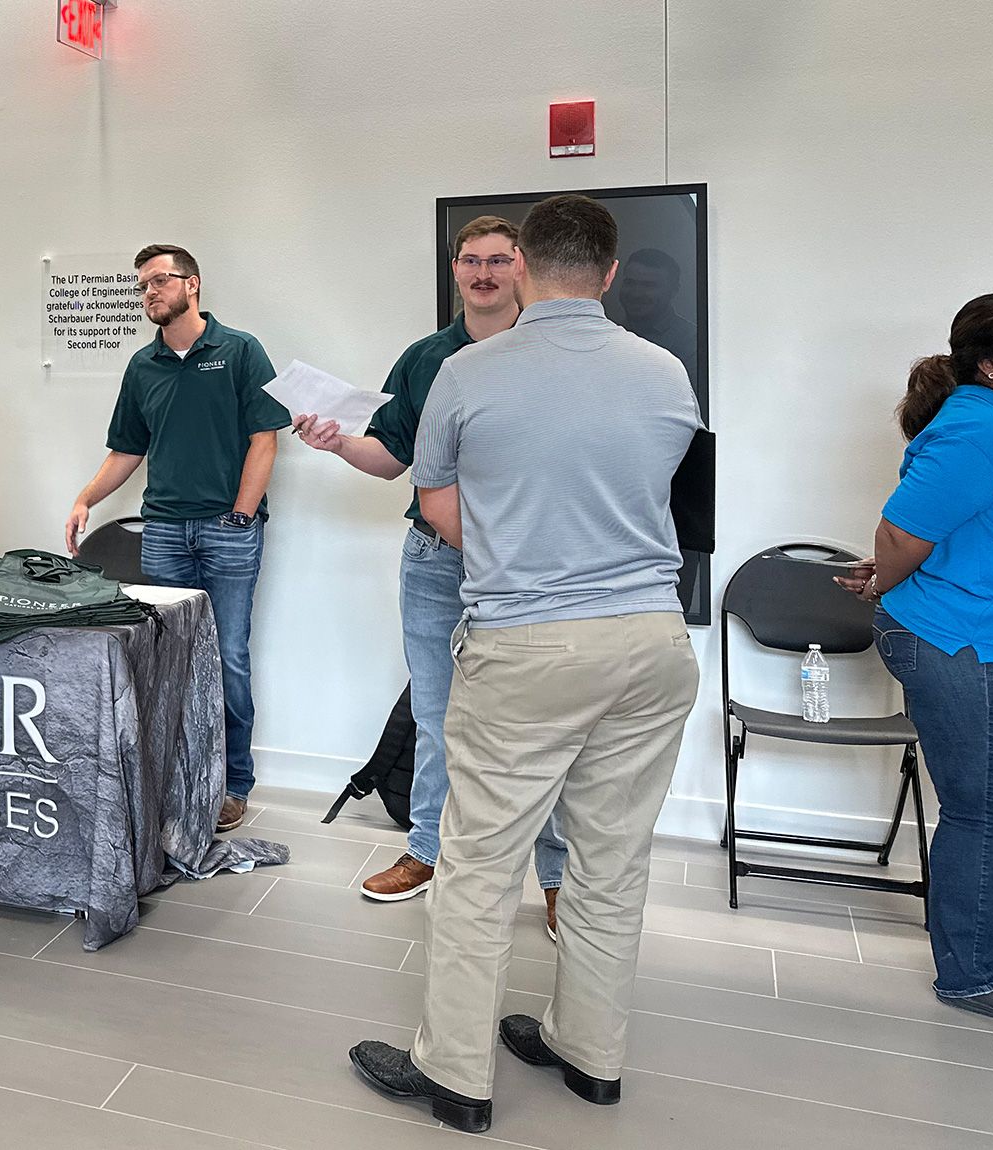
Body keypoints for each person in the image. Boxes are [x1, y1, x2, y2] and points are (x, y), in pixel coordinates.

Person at [347, 195, 702, 1133]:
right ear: (612, 273)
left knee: (477, 863)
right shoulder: (665, 371)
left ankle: (456, 1075)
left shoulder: (467, 374)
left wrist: (521, 556)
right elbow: (649, 495)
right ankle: (592, 1055)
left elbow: (443, 515)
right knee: (612, 862)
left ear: (528, 269)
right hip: (655, 644)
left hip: (532, 643)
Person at [294, 216, 568, 936]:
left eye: (499, 261)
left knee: (540, 724)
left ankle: (558, 875)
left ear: (523, 268)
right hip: (436, 561)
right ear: (454, 270)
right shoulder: (425, 359)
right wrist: (335, 443)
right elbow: (390, 457)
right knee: (440, 715)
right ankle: (425, 850)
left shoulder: (550, 350)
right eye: (470, 260)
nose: (484, 273)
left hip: (531, 562)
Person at [835, 293, 993, 1035]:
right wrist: (884, 574)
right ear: (990, 365)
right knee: (982, 810)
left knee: (992, 809)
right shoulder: (978, 428)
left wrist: (886, 572)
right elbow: (901, 528)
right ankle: (974, 973)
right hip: (973, 647)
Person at [63, 244, 288, 831]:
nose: (150, 293)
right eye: (142, 286)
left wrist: (239, 515)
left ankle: (233, 783)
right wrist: (87, 497)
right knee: (168, 659)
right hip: (162, 530)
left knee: (228, 658)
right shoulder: (143, 366)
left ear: (193, 285)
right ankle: (175, 776)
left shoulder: (239, 351)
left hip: (228, 531)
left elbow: (266, 438)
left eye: (160, 281)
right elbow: (128, 449)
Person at [611, 247, 698, 372]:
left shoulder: (691, 343)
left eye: (649, 285)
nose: (636, 293)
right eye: (630, 282)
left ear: (673, 290)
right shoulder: (611, 335)